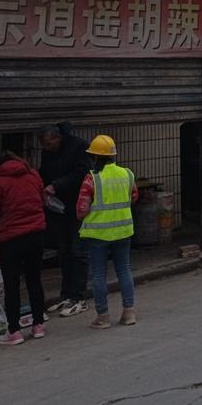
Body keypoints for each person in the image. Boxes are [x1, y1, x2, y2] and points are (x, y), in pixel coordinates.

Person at [78, 134, 139, 329]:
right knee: (124, 270)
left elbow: (81, 209)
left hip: (98, 235)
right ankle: (129, 313)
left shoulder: (91, 179)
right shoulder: (127, 174)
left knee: (98, 275)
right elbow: (134, 196)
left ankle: (103, 317)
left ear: (95, 156)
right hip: (123, 231)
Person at [0, 151, 48, 345]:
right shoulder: (33, 174)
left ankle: (14, 331)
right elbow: (42, 199)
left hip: (11, 238)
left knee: (11, 285)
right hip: (36, 234)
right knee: (34, 280)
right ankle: (38, 324)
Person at [39, 122, 91, 317]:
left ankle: (79, 296)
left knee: (78, 251)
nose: (47, 148)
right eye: (45, 145)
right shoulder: (48, 153)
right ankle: (67, 294)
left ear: (58, 138)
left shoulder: (79, 147)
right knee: (64, 251)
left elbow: (82, 173)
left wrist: (56, 185)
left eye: (50, 144)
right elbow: (44, 172)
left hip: (77, 206)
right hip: (58, 208)